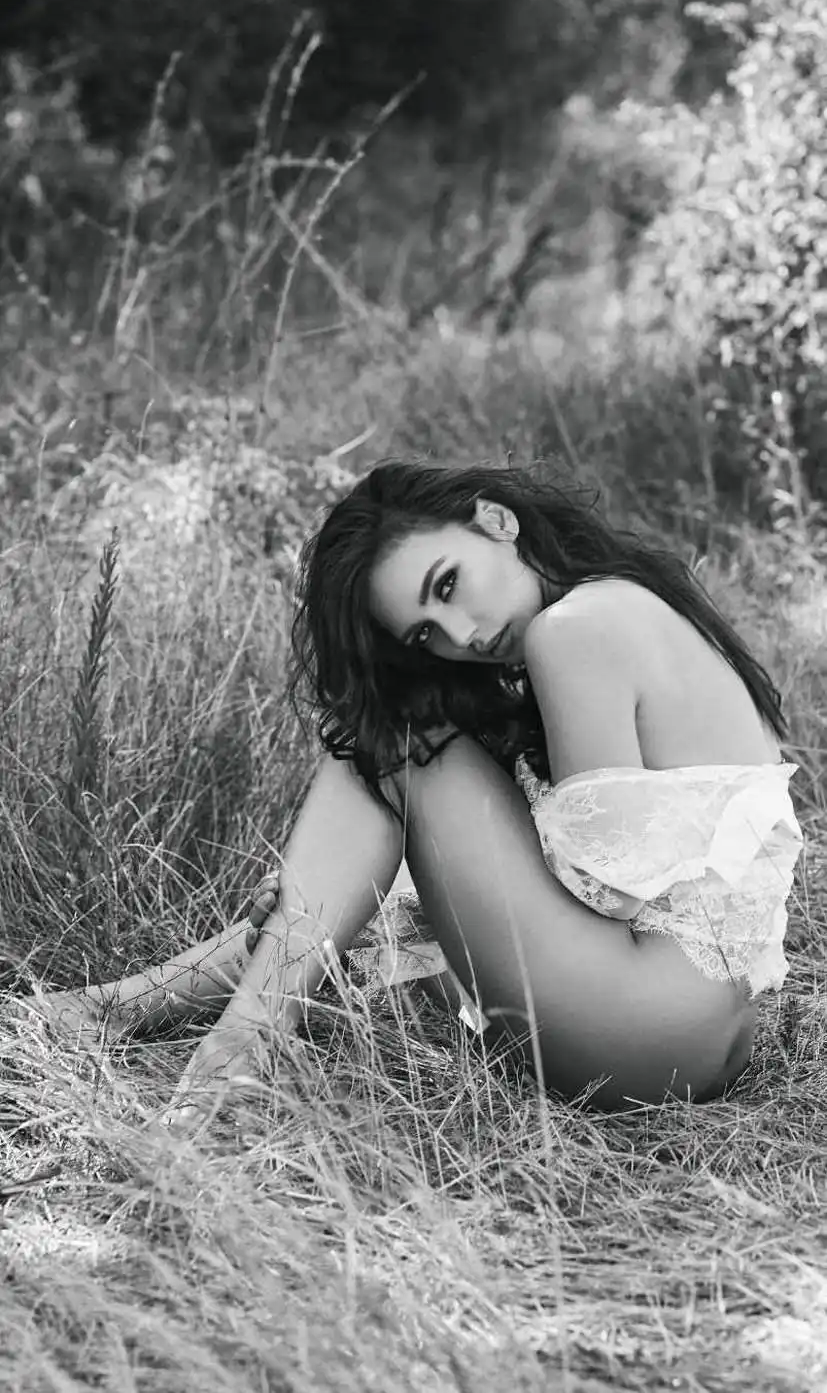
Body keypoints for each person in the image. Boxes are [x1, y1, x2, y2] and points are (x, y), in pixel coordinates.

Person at [28, 460, 803, 1117]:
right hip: (698, 1036)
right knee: (338, 886)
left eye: (448, 583)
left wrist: (381, 894)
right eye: (426, 633)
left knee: (390, 743)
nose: (462, 635)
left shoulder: (571, 630)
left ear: (496, 520)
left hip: (639, 1023)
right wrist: (339, 900)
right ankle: (116, 1008)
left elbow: (604, 890)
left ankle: (236, 1040)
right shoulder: (628, 600)